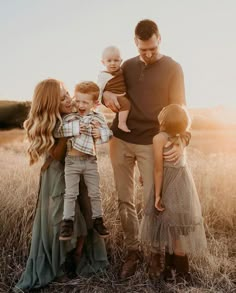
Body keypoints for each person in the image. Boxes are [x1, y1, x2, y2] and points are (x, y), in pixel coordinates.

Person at [102, 19, 191, 279]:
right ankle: (132, 252)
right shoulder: (127, 65)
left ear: (159, 38)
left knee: (154, 203)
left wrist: (183, 138)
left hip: (151, 143)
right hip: (120, 139)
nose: (148, 54)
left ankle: (155, 254)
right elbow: (107, 86)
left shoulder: (173, 67)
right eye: (143, 50)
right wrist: (103, 96)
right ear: (135, 44)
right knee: (124, 200)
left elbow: (181, 107)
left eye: (152, 48)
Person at [15, 79, 108, 291]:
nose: (69, 99)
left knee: (86, 218)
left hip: (79, 172)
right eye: (62, 97)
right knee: (63, 220)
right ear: (51, 103)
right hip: (58, 176)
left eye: (68, 94)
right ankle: (62, 263)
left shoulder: (76, 114)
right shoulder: (54, 123)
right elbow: (56, 157)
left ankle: (75, 258)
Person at [140, 104, 207, 280]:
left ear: (163, 120)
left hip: (170, 186)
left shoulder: (159, 138)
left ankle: (183, 274)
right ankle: (170, 271)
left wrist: (157, 195)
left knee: (174, 231)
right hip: (183, 186)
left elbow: (158, 170)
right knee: (174, 230)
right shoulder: (179, 139)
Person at [54, 81, 111, 241]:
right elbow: (59, 132)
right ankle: (67, 223)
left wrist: (100, 133)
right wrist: (76, 128)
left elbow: (109, 133)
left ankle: (98, 220)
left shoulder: (98, 117)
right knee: (70, 193)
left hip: (91, 162)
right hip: (72, 161)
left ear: (95, 103)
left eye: (85, 102)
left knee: (95, 193)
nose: (80, 104)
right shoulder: (71, 117)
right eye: (77, 100)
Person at [97, 46, 131, 132]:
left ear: (121, 61)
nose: (113, 63)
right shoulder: (103, 76)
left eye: (116, 60)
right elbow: (99, 89)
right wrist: (98, 100)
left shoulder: (122, 71)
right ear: (103, 62)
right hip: (113, 96)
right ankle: (122, 123)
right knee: (126, 103)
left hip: (121, 94)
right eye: (109, 61)